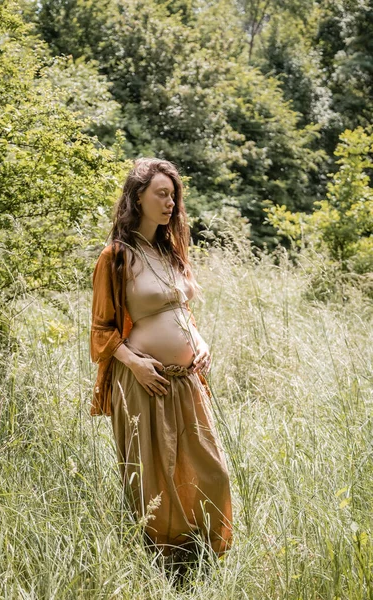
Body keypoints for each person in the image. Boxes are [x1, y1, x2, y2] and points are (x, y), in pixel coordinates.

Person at [90, 157, 233, 564]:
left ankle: (204, 554)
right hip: (143, 381)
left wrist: (200, 341)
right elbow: (101, 329)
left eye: (174, 195)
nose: (170, 203)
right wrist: (134, 363)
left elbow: (182, 312)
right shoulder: (116, 256)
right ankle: (167, 564)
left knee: (211, 471)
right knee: (156, 478)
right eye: (161, 194)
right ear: (138, 197)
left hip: (186, 378)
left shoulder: (169, 250)